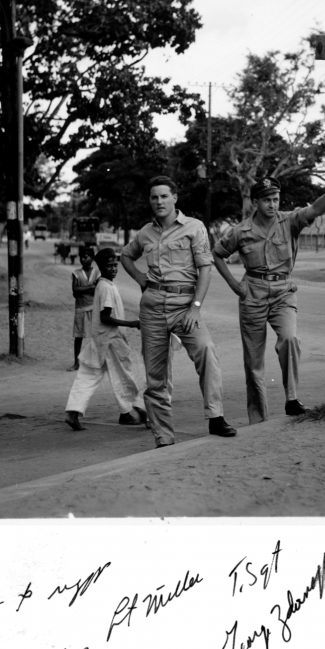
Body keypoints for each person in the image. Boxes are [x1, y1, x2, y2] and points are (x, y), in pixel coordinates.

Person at [212, 172, 325, 423]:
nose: (272, 205)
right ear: (255, 203)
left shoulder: (289, 221)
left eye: (276, 199)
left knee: (290, 339)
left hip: (283, 293)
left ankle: (292, 399)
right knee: (253, 360)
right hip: (253, 294)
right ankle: (258, 419)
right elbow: (217, 254)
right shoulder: (241, 231)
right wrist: (235, 286)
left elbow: (315, 209)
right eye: (267, 200)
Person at [120, 176, 236, 448]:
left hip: (185, 306)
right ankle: (164, 436)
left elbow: (205, 268)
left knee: (206, 350)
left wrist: (196, 307)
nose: (158, 201)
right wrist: (140, 279)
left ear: (174, 198)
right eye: (154, 197)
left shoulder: (194, 227)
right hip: (152, 307)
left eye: (163, 196)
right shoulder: (145, 233)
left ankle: (216, 417)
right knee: (156, 375)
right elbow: (126, 255)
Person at [65, 248, 146, 431]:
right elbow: (105, 317)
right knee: (125, 376)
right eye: (109, 266)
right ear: (101, 267)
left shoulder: (104, 285)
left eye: (115, 265)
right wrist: (131, 323)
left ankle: (72, 412)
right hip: (110, 341)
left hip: (99, 340)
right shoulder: (106, 288)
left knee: (88, 376)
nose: (114, 269)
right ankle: (130, 411)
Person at [69, 247, 100, 370]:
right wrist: (90, 287)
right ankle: (76, 363)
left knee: (95, 336)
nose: (83, 259)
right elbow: (75, 290)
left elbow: (97, 290)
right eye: (81, 257)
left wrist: (82, 289)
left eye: (85, 257)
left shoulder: (97, 273)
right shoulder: (76, 273)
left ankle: (95, 361)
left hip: (94, 308)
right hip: (80, 309)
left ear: (92, 258)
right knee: (78, 336)